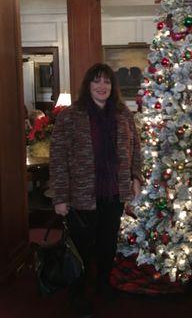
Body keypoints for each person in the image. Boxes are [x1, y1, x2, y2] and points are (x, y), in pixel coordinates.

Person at [49, 63, 142, 318]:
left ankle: (102, 284)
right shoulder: (70, 115)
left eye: (107, 82)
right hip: (81, 196)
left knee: (107, 245)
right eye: (97, 81)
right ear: (88, 85)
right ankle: (78, 294)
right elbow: (58, 157)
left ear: (113, 87)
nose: (102, 87)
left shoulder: (123, 114)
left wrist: (136, 176)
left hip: (114, 194)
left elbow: (136, 149)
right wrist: (60, 197)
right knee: (82, 249)